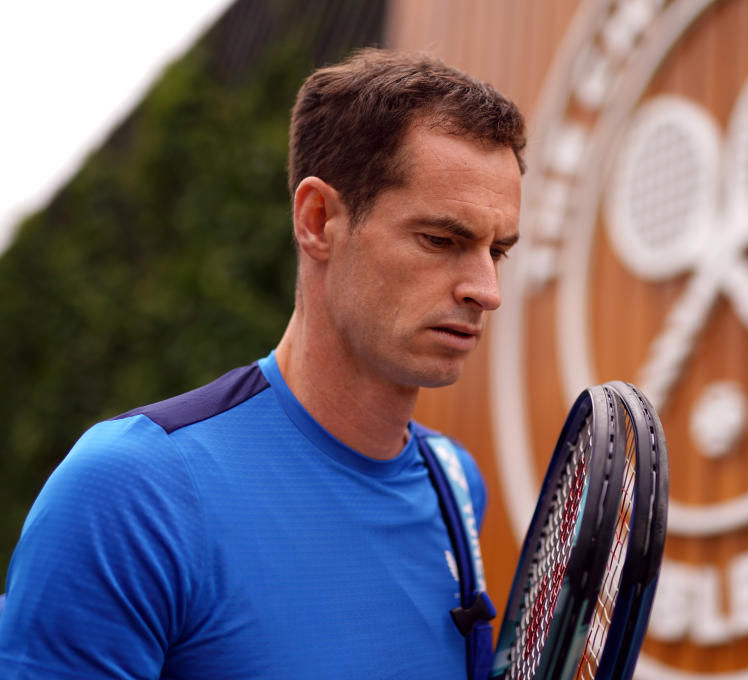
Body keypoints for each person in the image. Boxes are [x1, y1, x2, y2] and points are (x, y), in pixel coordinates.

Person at [0, 48, 525, 679]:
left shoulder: (454, 482)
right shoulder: (130, 493)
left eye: (498, 250)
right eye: (442, 240)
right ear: (318, 220)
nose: (485, 289)